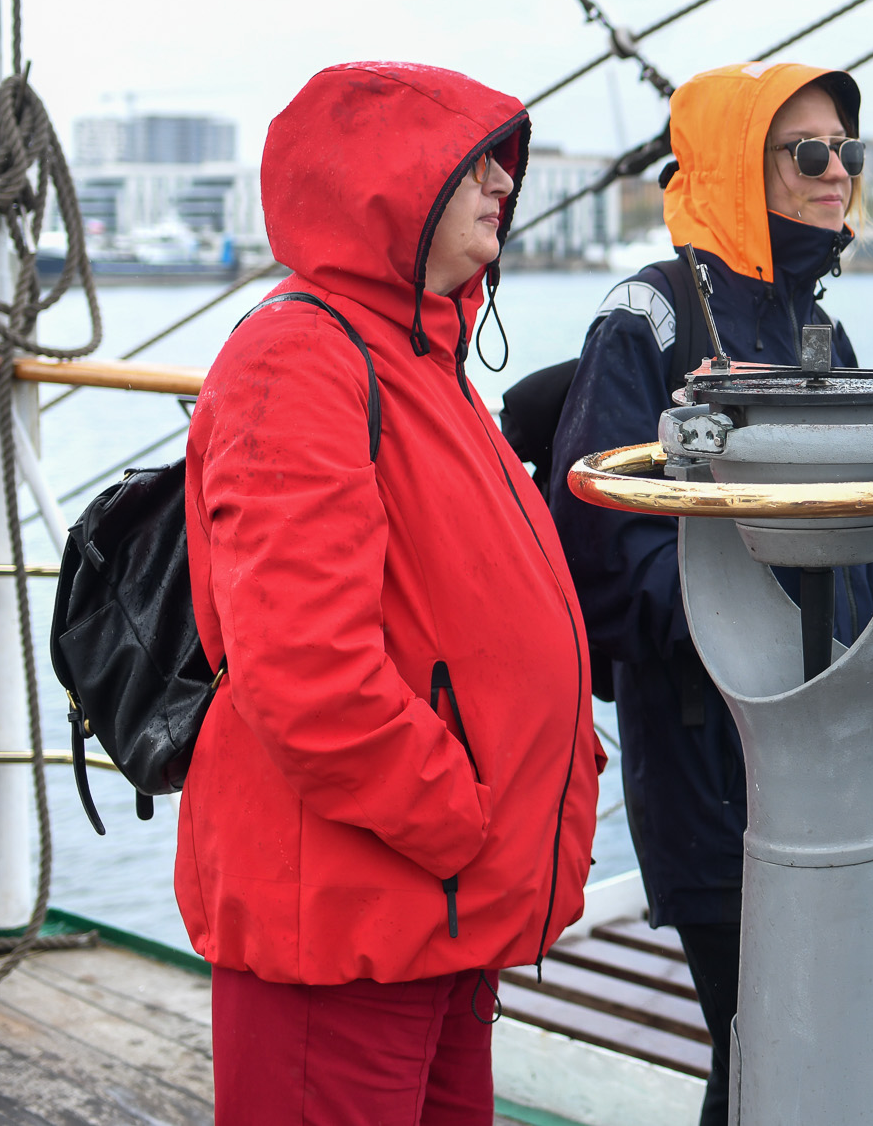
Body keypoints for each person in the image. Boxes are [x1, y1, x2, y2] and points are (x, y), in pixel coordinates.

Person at [181, 61, 604, 1124]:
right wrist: (459, 816)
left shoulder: (420, 357)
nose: (502, 185)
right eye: (472, 166)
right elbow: (304, 671)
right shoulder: (301, 360)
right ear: (385, 182)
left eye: (503, 166)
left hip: (434, 912)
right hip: (354, 919)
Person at [545, 62, 873, 1126]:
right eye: (810, 153)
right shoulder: (648, 320)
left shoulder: (815, 328)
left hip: (836, 750)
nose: (839, 174)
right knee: (764, 1047)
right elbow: (598, 543)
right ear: (742, 166)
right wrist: (755, 643)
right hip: (712, 752)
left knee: (794, 1050)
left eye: (848, 152)